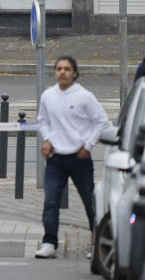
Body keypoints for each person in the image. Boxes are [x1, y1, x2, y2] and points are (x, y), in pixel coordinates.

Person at [34, 56, 111, 259]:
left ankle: (97, 242)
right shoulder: (48, 96)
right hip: (56, 158)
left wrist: (88, 145)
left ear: (74, 73)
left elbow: (102, 122)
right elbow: (42, 121)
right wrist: (48, 139)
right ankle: (49, 242)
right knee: (51, 201)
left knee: (89, 201)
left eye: (67, 69)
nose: (62, 72)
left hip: (79, 158)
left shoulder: (84, 96)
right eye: (59, 68)